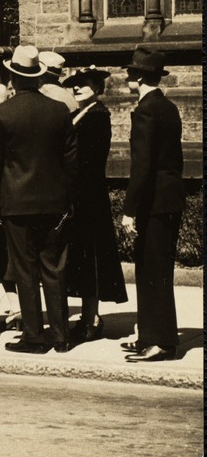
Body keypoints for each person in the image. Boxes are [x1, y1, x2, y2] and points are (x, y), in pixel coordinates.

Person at [0, 45, 78, 354]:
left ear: (13, 75)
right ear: (38, 77)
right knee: (54, 268)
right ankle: (61, 335)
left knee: (25, 271)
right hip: (54, 202)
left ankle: (34, 336)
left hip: (16, 202)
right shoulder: (58, 110)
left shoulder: (2, 112)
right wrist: (68, 200)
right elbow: (71, 162)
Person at [120, 46, 185, 363]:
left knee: (152, 270)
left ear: (141, 77)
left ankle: (161, 341)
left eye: (131, 71)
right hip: (169, 197)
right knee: (153, 269)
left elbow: (142, 166)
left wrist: (129, 209)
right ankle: (150, 336)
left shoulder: (145, 110)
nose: (127, 75)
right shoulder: (169, 107)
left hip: (154, 202)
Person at [61, 67, 127, 343]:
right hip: (78, 194)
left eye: (84, 84)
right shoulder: (79, 114)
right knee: (80, 258)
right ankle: (88, 315)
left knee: (90, 258)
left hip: (88, 197)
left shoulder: (98, 116)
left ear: (97, 88)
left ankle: (92, 318)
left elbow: (86, 160)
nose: (77, 89)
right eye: (75, 85)